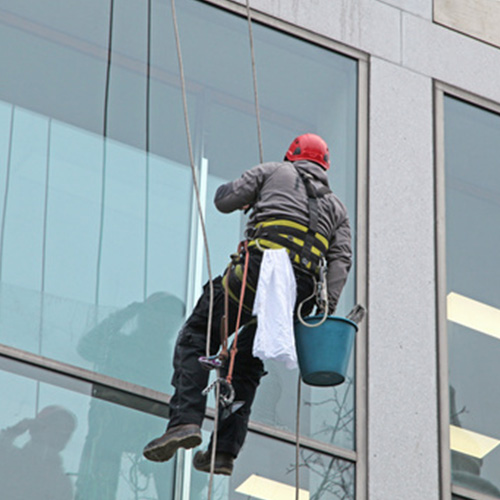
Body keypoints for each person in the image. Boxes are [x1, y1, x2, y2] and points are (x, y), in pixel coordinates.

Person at [142, 133, 352, 476]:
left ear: (291, 157)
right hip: (298, 296)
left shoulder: (272, 171)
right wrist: (323, 314)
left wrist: (246, 197)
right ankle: (224, 451)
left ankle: (185, 422)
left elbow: (224, 200)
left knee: (197, 334)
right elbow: (341, 261)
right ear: (324, 166)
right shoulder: (338, 208)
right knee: (245, 364)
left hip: (256, 274)